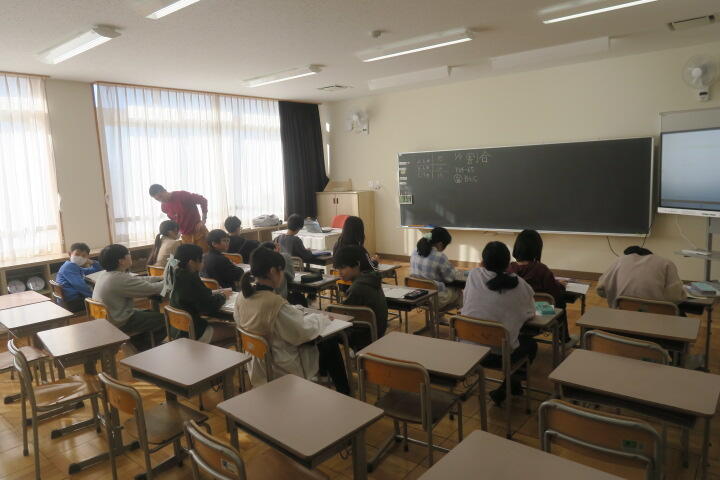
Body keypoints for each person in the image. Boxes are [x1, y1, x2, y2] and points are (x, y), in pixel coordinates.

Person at [234, 247, 350, 394]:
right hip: (279, 366)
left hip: (257, 364)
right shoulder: (274, 304)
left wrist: (294, 311)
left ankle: (327, 381)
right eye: (281, 270)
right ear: (272, 271)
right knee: (329, 341)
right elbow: (302, 332)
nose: (283, 274)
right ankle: (344, 392)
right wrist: (322, 319)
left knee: (323, 341)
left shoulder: (242, 297)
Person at [461, 241, 537, 407]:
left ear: (483, 261)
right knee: (530, 345)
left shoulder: (473, 275)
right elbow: (530, 314)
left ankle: (513, 386)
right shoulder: (520, 285)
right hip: (499, 356)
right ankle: (508, 386)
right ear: (508, 263)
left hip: (468, 348)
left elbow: (466, 301)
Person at [93, 244, 166, 352]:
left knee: (150, 314)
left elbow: (138, 280)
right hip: (120, 321)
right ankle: (142, 349)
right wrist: (168, 280)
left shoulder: (106, 274)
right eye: (129, 254)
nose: (131, 256)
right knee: (165, 320)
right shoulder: (118, 279)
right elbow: (151, 289)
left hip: (109, 318)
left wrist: (159, 278)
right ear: (121, 261)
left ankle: (138, 343)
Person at [164, 244, 236, 343]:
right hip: (193, 333)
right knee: (236, 329)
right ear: (191, 262)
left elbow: (200, 294)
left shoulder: (177, 274)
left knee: (221, 324)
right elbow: (208, 307)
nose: (203, 262)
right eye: (201, 259)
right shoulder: (190, 279)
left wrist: (218, 291)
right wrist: (222, 296)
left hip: (178, 330)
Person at [509, 229, 571, 342]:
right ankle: (564, 339)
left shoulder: (509, 268)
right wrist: (560, 285)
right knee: (561, 303)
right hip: (537, 311)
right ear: (537, 249)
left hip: (514, 311)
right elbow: (555, 295)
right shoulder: (541, 269)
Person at [334, 245, 388, 350]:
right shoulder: (372, 278)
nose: (340, 272)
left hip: (364, 338)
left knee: (325, 335)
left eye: (343, 267)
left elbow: (343, 315)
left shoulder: (358, 287)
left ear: (357, 264)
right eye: (338, 268)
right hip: (377, 333)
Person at [597, 246, 687, 308]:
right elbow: (676, 297)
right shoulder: (666, 263)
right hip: (657, 318)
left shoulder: (620, 261)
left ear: (628, 255)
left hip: (620, 315)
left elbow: (601, 290)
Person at [410, 227, 463, 309]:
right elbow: (450, 278)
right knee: (458, 290)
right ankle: (461, 314)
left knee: (439, 283)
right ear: (440, 244)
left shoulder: (415, 251)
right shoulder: (440, 256)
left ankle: (437, 316)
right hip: (433, 298)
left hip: (417, 296)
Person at [149, 184, 209, 251]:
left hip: (198, 231)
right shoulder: (164, 207)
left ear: (164, 191)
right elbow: (175, 220)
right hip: (185, 236)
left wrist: (203, 220)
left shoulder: (181, 195)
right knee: (190, 257)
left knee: (204, 254)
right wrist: (178, 232)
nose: (161, 200)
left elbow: (203, 200)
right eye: (157, 199)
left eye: (161, 196)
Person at [259, 241, 309, 306]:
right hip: (281, 299)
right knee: (300, 298)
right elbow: (291, 277)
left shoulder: (259, 263)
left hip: (266, 299)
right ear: (275, 249)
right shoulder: (283, 258)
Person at [55, 242, 102, 312]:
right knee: (104, 300)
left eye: (83, 256)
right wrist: (94, 298)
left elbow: (97, 269)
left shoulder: (74, 267)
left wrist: (91, 262)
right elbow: (80, 286)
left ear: (87, 257)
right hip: (73, 302)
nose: (80, 257)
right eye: (77, 254)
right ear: (70, 254)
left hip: (69, 300)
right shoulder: (69, 267)